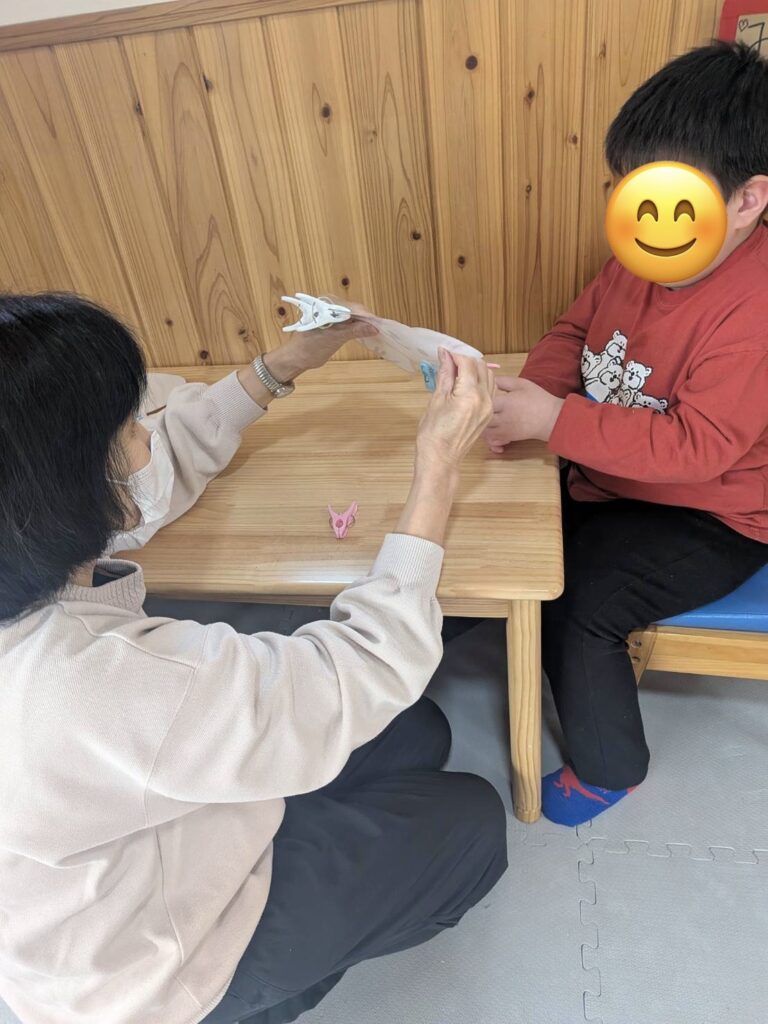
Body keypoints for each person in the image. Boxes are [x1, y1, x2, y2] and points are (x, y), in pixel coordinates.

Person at [0, 291, 507, 1024]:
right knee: (474, 825)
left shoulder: (20, 536)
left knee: (417, 733)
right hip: (148, 970)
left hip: (119, 840)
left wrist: (281, 366)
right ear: (71, 487)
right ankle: (248, 1004)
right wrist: (437, 468)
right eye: (131, 425)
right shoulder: (89, 685)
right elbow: (367, 662)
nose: (149, 434)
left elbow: (150, 481)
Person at [485, 40, 768, 827]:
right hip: (607, 471)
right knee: (503, 535)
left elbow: (700, 449)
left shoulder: (753, 309)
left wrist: (555, 422)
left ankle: (611, 768)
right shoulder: (644, 253)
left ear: (748, 199)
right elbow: (574, 329)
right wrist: (536, 397)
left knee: (581, 602)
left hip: (716, 514)